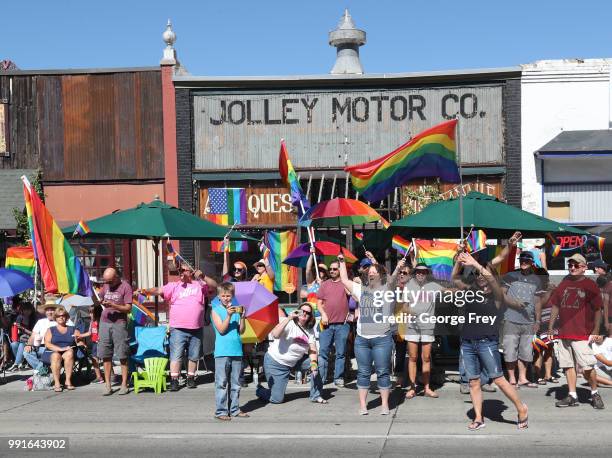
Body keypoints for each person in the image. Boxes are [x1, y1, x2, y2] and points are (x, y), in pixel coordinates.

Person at [453, 252, 528, 431]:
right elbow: (455, 278)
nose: (480, 277)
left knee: (499, 379)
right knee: (473, 381)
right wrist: (459, 261)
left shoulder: (497, 294)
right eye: (477, 275)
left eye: (483, 274)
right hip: (467, 342)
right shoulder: (471, 290)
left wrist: (476, 265)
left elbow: (493, 283)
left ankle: (521, 408)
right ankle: (479, 418)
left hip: (487, 341)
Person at [337, 253, 401, 415]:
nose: (371, 273)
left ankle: (385, 405)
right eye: (369, 272)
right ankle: (363, 405)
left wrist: (395, 265)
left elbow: (391, 276)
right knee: (363, 372)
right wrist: (342, 263)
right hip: (362, 339)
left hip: (382, 338)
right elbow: (344, 280)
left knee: (382, 372)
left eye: (374, 271)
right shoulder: (360, 289)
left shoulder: (387, 288)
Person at [145, 263, 217, 391]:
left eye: (184, 270)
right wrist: (145, 291)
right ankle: (174, 380)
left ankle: (190, 378)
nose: (181, 272)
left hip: (196, 327)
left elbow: (215, 286)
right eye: (180, 270)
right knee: (176, 355)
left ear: (191, 272)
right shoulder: (174, 286)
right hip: (178, 328)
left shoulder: (199, 285)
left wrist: (203, 276)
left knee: (194, 355)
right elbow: (158, 290)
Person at [547, 253, 604, 409]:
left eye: (576, 265)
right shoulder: (564, 283)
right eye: (570, 265)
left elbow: (598, 309)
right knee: (567, 365)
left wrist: (596, 330)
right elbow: (556, 306)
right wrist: (551, 327)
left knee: (587, 367)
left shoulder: (590, 285)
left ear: (584, 268)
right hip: (564, 332)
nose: (572, 267)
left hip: (582, 333)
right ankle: (572, 395)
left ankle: (594, 392)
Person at [256, 302, 326, 404]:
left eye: (308, 313)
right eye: (302, 311)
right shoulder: (289, 322)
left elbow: (312, 349)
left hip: (296, 361)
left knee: (321, 362)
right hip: (276, 363)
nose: (304, 314)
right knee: (277, 399)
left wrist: (314, 364)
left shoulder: (309, 330)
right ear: (297, 312)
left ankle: (315, 395)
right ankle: (260, 391)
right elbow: (275, 334)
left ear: (311, 316)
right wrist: (288, 318)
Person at [501, 251, 543, 388]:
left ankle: (523, 378)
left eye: (527, 260)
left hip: (529, 321)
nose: (523, 262)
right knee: (510, 350)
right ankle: (512, 378)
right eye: (522, 260)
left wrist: (537, 321)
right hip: (510, 319)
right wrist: (515, 304)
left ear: (532, 262)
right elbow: (502, 295)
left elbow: (537, 302)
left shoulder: (537, 279)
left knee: (526, 351)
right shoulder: (510, 275)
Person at [402, 263, 445, 399]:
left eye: (423, 272)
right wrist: (411, 312)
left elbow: (448, 291)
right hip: (413, 327)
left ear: (427, 273)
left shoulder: (433, 286)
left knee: (426, 358)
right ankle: (412, 388)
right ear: (415, 273)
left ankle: (427, 388)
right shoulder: (408, 286)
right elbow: (404, 308)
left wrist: (466, 289)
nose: (421, 274)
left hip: (427, 326)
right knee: (413, 358)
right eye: (418, 272)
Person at [211, 282, 248, 420]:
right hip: (222, 351)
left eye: (229, 295)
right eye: (223, 295)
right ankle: (221, 411)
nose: (226, 298)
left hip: (236, 350)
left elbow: (242, 330)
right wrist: (228, 316)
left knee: (236, 383)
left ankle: (235, 408)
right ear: (219, 297)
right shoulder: (215, 311)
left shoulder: (236, 311)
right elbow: (221, 329)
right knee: (221, 382)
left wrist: (243, 316)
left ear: (232, 296)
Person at [96, 268, 132, 396]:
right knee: (106, 354)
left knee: (122, 353)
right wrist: (100, 300)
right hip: (105, 322)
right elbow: (100, 295)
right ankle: (107, 385)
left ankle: (124, 384)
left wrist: (113, 305)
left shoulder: (125, 287)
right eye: (106, 281)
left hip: (119, 323)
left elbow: (128, 308)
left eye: (110, 281)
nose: (108, 284)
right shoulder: (105, 285)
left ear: (117, 277)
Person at [317, 260, 350, 388]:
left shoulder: (345, 283)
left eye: (335, 269)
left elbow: (351, 293)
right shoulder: (324, 284)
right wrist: (323, 314)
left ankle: (338, 377)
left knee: (341, 353)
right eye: (330, 269)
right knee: (323, 351)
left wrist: (343, 266)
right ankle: (322, 377)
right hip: (326, 324)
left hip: (342, 323)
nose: (331, 271)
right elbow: (319, 303)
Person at [23, 299, 74, 372]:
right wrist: (29, 344)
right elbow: (33, 336)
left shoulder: (63, 320)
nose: (49, 312)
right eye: (47, 310)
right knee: (26, 352)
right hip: (40, 347)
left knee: (46, 352)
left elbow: (73, 331)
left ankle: (42, 371)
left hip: (56, 347)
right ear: (45, 312)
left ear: (56, 311)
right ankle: (42, 370)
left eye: (52, 310)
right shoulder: (41, 322)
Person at [42, 306, 79, 392]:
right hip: (51, 351)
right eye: (58, 316)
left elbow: (79, 339)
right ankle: (57, 382)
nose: (61, 317)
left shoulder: (72, 329)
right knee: (56, 355)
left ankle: (68, 381)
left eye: (63, 315)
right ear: (55, 318)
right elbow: (47, 344)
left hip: (68, 351)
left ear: (66, 317)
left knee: (69, 353)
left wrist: (80, 341)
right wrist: (60, 349)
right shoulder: (51, 330)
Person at [76, 305, 104, 383]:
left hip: (101, 342)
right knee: (94, 359)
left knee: (105, 359)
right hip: (95, 343)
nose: (90, 315)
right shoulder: (92, 322)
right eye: (90, 313)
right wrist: (80, 335)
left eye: (92, 313)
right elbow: (89, 332)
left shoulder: (101, 321)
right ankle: (99, 377)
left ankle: (109, 375)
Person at [8, 302, 36, 372]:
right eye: (25, 309)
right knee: (13, 344)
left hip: (30, 339)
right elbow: (16, 331)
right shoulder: (20, 317)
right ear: (22, 310)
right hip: (20, 338)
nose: (26, 311)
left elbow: (33, 334)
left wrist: (23, 328)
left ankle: (16, 364)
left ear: (31, 310)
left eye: (28, 309)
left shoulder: (33, 319)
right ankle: (21, 362)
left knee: (22, 344)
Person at [592, 259, 611, 333]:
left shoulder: (604, 278)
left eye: (605, 268)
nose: (605, 270)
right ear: (596, 268)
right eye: (603, 268)